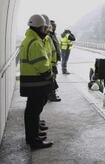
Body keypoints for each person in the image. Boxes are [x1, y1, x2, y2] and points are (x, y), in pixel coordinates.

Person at [20, 14, 54, 149]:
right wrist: (50, 74)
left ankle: (33, 137)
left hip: (31, 82)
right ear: (39, 28)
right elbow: (42, 66)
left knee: (32, 112)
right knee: (33, 112)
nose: (45, 31)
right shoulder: (35, 43)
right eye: (44, 28)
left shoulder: (28, 40)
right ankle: (34, 141)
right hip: (36, 83)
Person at [47, 19, 61, 102]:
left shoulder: (53, 35)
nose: (54, 26)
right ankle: (52, 95)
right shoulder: (48, 35)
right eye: (52, 25)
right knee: (52, 78)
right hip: (50, 61)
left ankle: (52, 94)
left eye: (55, 25)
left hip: (54, 60)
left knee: (53, 77)